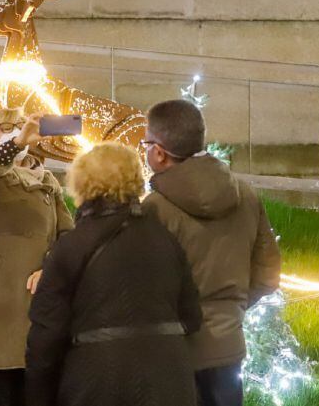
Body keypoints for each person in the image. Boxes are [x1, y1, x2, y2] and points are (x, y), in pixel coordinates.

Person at [26, 142, 203, 406]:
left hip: (97, 379)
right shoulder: (164, 238)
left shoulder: (72, 245)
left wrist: (38, 395)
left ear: (80, 181)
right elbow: (192, 317)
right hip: (169, 378)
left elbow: (46, 334)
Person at [140, 100, 282, 406]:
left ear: (159, 152)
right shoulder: (245, 194)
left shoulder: (155, 209)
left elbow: (143, 287)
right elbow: (268, 275)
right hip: (229, 348)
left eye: (145, 143)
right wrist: (233, 308)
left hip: (172, 355)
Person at [0, 108, 75, 406]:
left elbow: (69, 238)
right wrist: (16, 143)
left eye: (23, 127)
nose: (17, 131)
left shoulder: (48, 182)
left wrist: (51, 267)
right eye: (5, 127)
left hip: (39, 314)